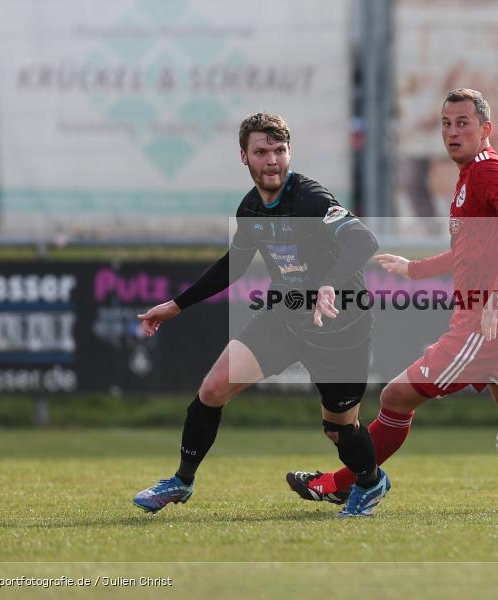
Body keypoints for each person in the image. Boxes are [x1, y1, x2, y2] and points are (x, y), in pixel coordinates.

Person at [287, 89, 498, 512]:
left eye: (463, 123)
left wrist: (497, 296)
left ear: (486, 129)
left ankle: (343, 484)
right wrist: (415, 269)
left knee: (396, 398)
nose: (452, 132)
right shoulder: (469, 174)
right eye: (446, 124)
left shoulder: (488, 170)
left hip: (485, 320)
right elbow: (470, 251)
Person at [133, 112, 390, 518]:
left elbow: (363, 239)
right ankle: (181, 481)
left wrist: (330, 284)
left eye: (279, 150)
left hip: (339, 326)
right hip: (285, 318)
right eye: (261, 152)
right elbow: (233, 264)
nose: (271, 160)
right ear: (244, 156)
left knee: (339, 428)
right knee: (212, 389)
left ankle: (370, 482)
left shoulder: (310, 198)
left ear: (289, 153)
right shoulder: (251, 208)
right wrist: (176, 305)